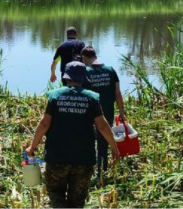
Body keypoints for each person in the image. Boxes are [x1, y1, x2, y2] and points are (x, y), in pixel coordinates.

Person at [26, 61, 120, 208]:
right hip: (83, 159)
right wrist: (114, 147)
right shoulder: (91, 98)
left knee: (56, 194)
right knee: (77, 201)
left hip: (57, 157)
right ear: (83, 79)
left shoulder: (55, 96)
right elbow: (102, 126)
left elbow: (44, 124)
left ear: (65, 77)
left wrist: (32, 147)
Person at [81, 46, 125, 186]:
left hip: (90, 115)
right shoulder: (111, 70)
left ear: (84, 58)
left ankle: (87, 170)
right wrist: (122, 113)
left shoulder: (85, 71)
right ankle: (102, 171)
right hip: (107, 113)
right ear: (95, 55)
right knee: (103, 142)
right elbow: (118, 93)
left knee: (87, 141)